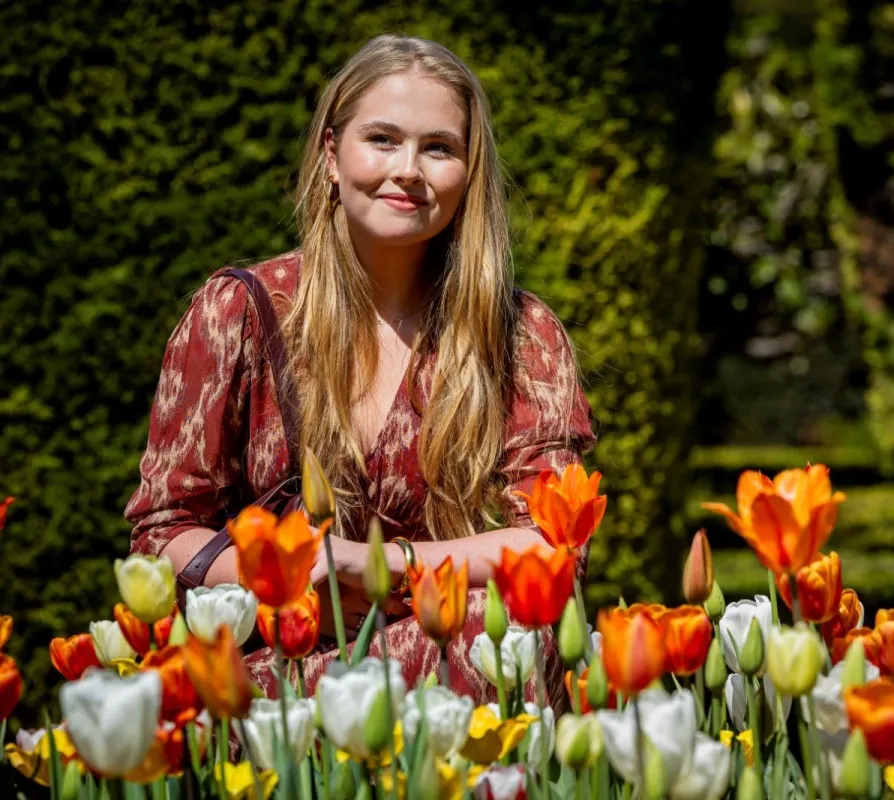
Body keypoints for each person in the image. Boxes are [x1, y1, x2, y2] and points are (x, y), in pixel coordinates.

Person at [124, 34, 596, 708]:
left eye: (439, 148)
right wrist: (289, 577)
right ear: (331, 156)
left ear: (469, 172)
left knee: (508, 631)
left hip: (452, 676)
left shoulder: (519, 334)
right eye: (382, 139)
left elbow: (555, 543)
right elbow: (164, 527)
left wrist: (380, 568)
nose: (408, 169)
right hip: (273, 675)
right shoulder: (242, 314)